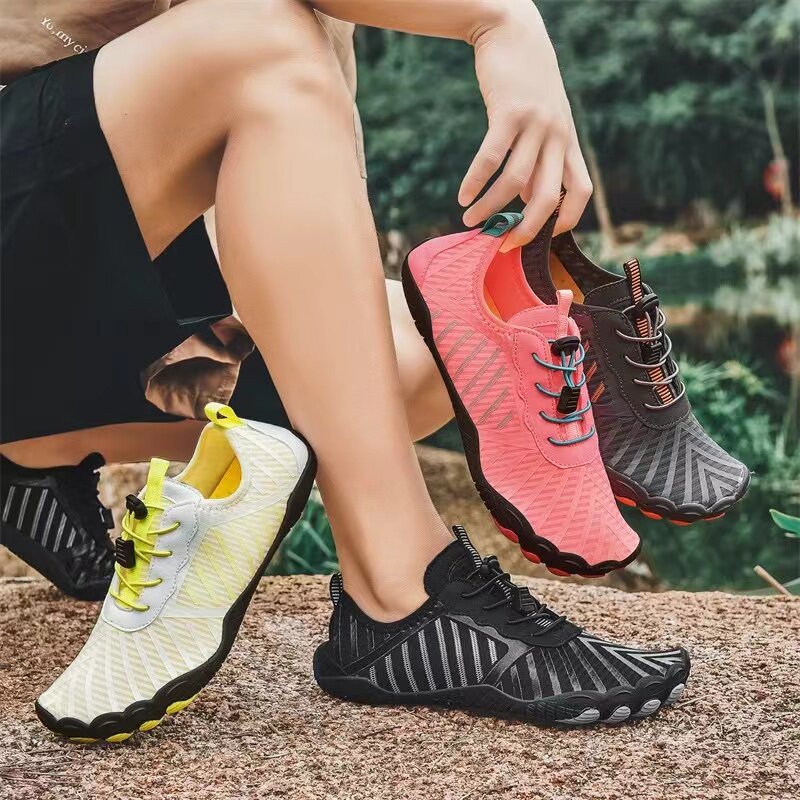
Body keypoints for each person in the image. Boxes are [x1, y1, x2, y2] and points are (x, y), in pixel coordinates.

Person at [4, 1, 690, 732]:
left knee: (426, 350)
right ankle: (403, 593)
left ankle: (33, 454)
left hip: (60, 275)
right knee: (261, 43)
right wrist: (500, 21)